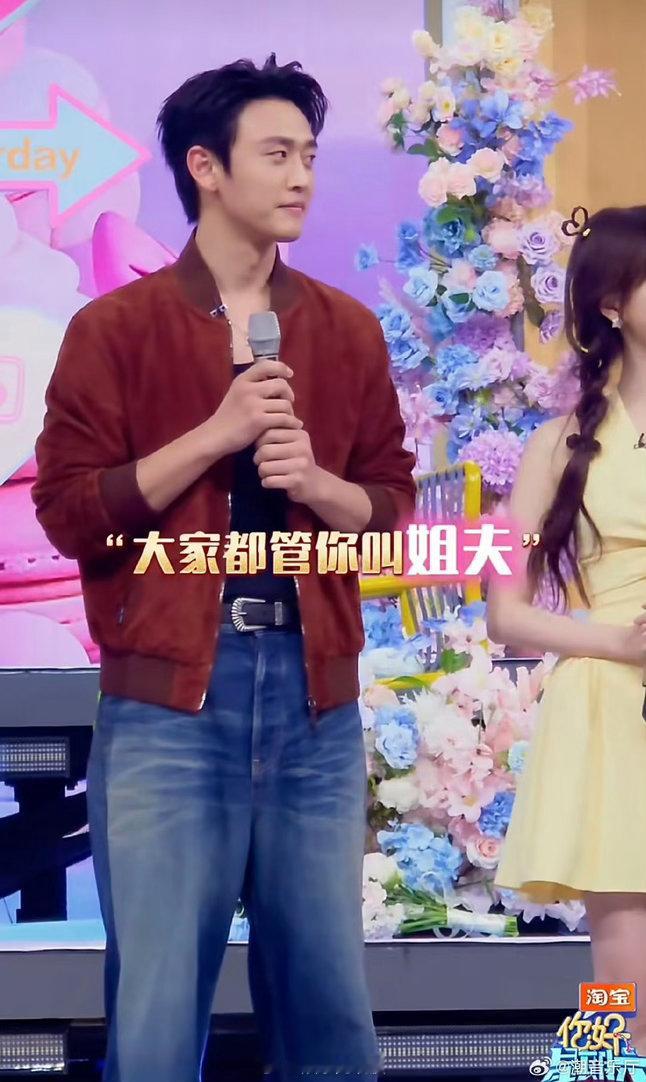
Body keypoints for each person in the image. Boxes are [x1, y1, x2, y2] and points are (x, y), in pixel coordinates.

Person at [31, 54, 416, 1082]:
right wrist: (214, 435)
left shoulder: (344, 329)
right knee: (157, 1015)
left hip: (315, 702)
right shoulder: (116, 329)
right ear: (204, 166)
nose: (301, 177)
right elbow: (69, 512)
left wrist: (320, 485)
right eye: (276, 154)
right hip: (168, 703)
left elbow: (390, 510)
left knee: (329, 1009)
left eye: (310, 156)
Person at [489, 205, 646, 1056]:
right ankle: (602, 1072)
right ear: (612, 304)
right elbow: (506, 610)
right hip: (612, 700)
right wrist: (618, 643)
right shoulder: (556, 445)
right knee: (621, 976)